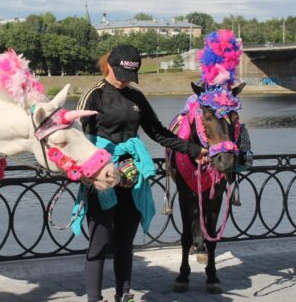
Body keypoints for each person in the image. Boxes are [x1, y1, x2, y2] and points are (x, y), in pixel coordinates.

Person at [74, 44, 207, 302]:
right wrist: (83, 172)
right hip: (101, 175)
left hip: (132, 178)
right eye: (122, 75)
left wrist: (194, 150)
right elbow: (78, 138)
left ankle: (124, 295)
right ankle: (94, 298)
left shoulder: (136, 97)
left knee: (125, 242)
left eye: (130, 77)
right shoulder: (94, 94)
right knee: (100, 243)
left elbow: (158, 132)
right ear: (111, 66)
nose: (125, 82)